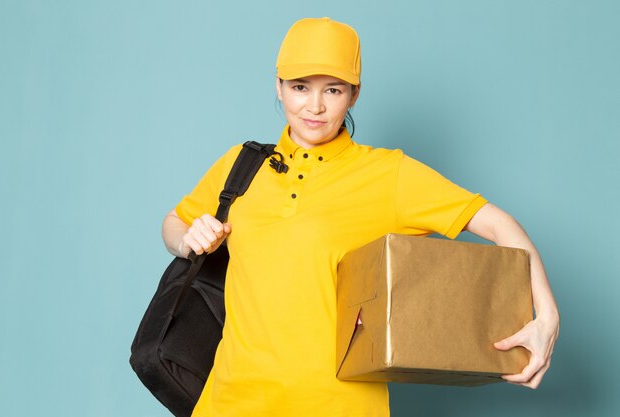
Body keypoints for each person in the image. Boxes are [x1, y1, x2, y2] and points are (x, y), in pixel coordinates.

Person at [161, 17, 559, 417]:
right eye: (300, 87)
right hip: (230, 402)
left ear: (354, 95)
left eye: (332, 90)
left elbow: (498, 224)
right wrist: (187, 239)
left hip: (337, 406)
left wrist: (548, 317)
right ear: (278, 87)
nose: (315, 106)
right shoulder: (240, 165)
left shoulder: (388, 174)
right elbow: (175, 222)